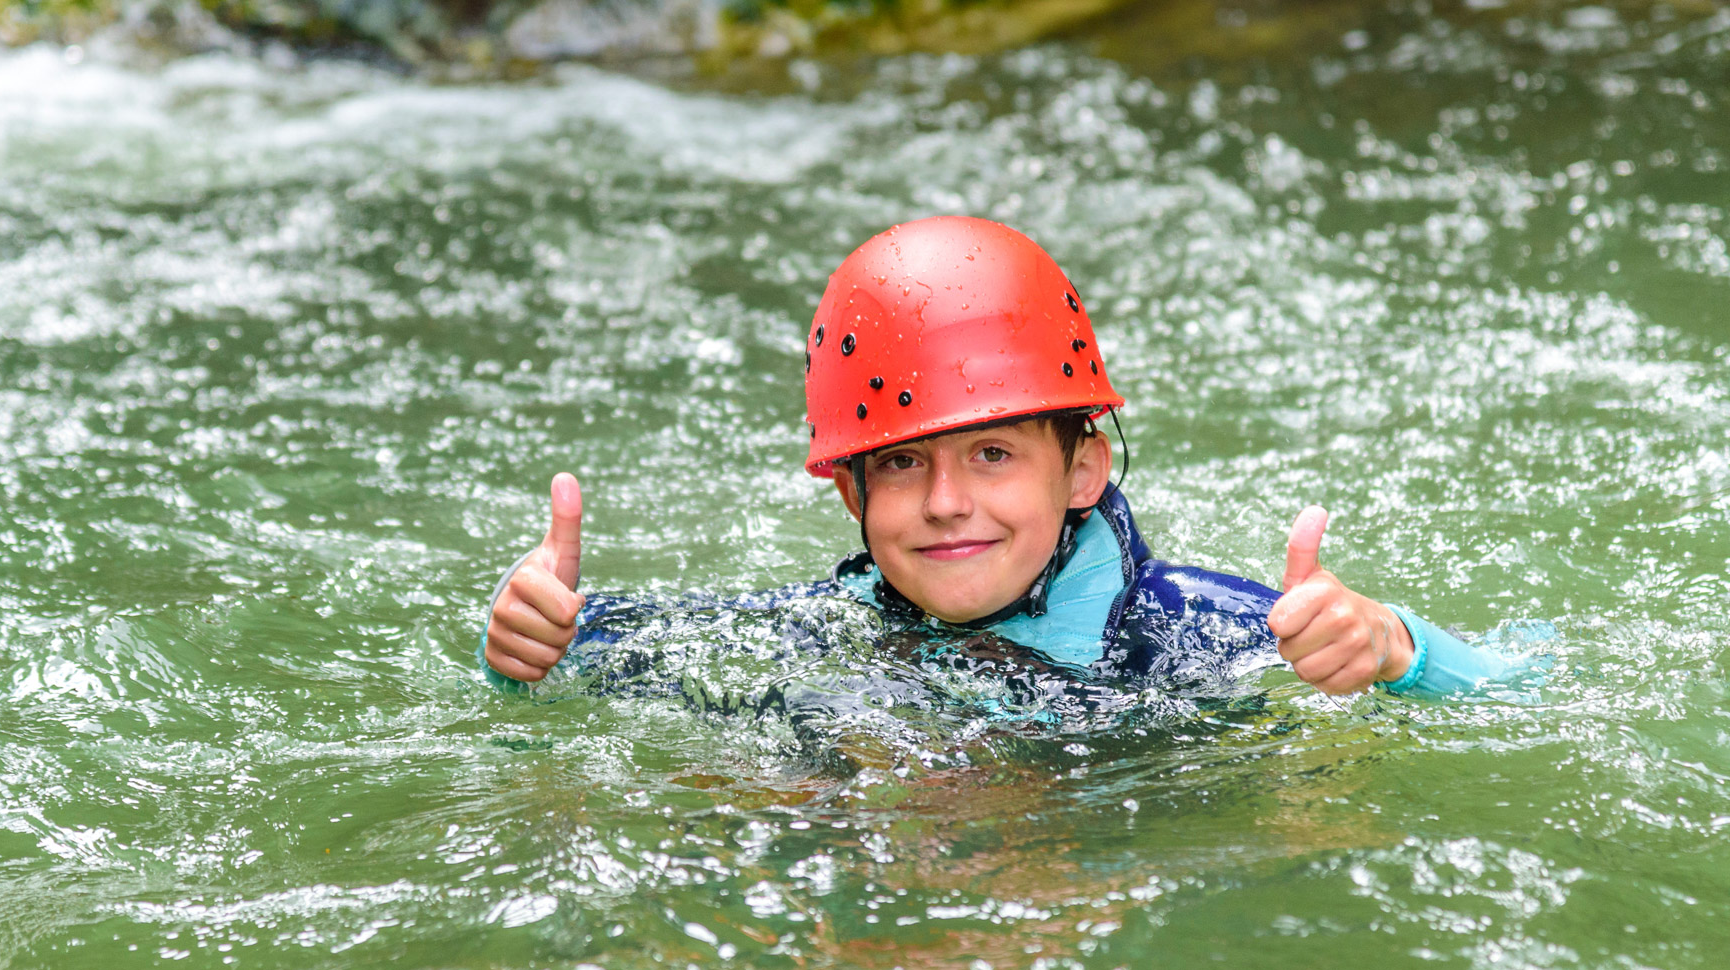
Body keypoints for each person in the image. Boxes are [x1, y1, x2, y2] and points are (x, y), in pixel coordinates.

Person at [479, 216, 1521, 701]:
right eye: (898, 465)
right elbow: (607, 645)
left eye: (990, 453)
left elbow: (1530, 683)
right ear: (849, 488)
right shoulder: (838, 622)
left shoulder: (1197, 633)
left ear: (1083, 469)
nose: (942, 503)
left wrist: (1392, 647)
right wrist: (533, 645)